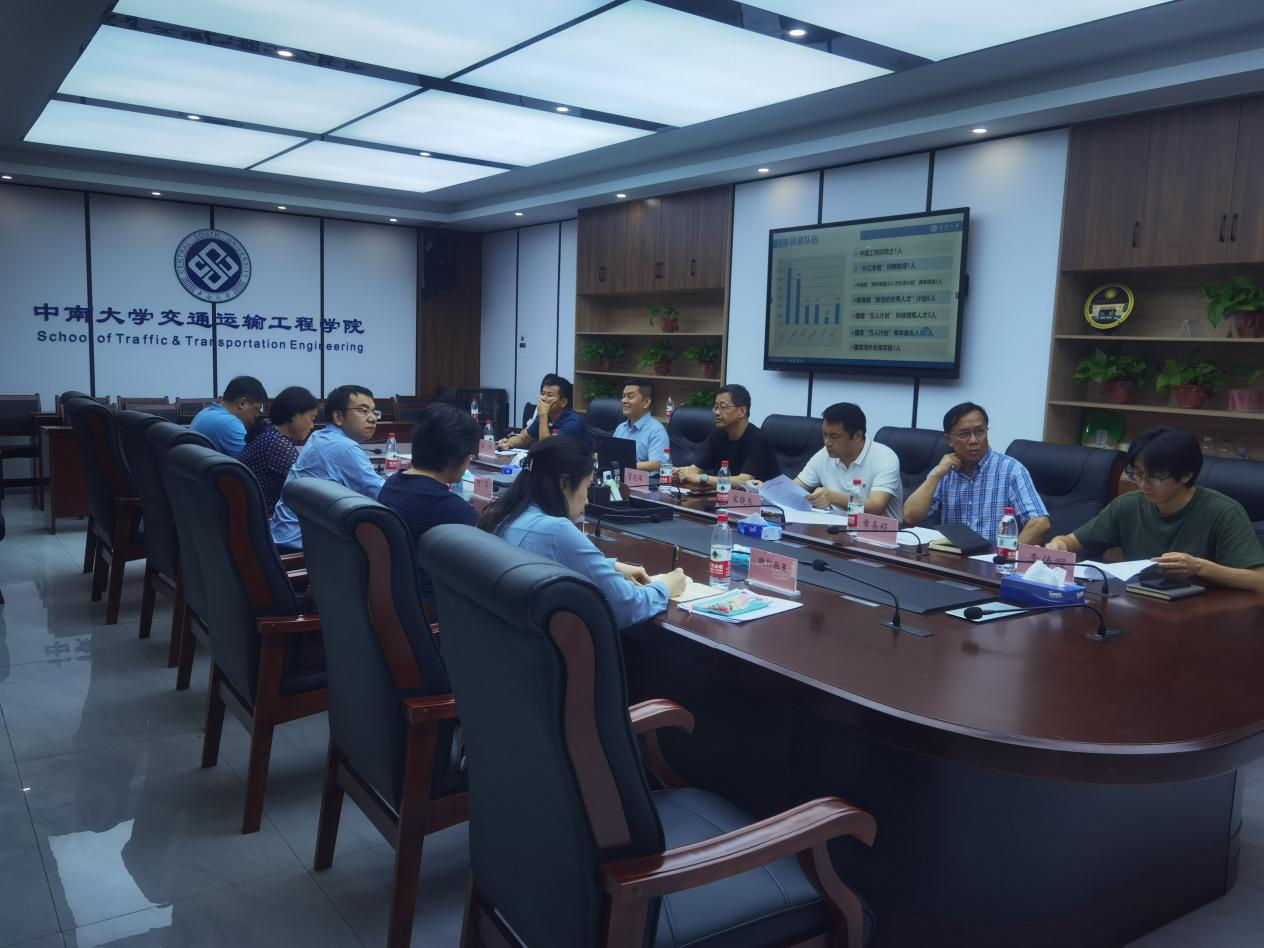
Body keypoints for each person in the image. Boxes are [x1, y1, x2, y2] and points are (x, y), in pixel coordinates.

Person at [478, 437, 688, 629]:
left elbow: (549, 559)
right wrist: (665, 587)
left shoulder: (500, 513)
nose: (587, 500)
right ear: (564, 484)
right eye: (587, 487)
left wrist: (610, 566)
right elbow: (627, 607)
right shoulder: (557, 531)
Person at [1046, 427, 1264, 591]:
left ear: (1186, 475)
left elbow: (1259, 581)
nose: (1143, 484)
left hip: (1204, 615)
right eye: (1138, 473)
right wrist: (1060, 544)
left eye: (1155, 477)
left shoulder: (1223, 512)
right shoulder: (1128, 505)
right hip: (1142, 605)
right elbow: (1073, 540)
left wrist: (1199, 568)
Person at [902, 401, 1050, 543]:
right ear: (949, 439)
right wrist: (936, 475)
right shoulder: (944, 472)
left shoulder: (1011, 470)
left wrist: (1006, 556)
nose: (973, 440)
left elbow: (1040, 523)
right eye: (964, 434)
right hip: (951, 556)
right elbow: (910, 517)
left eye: (979, 431)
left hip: (993, 557)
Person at [379, 404, 481, 605]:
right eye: (470, 454)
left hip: (396, 596)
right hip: (431, 606)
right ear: (454, 456)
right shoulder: (444, 506)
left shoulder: (394, 482)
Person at [270, 384, 384, 550]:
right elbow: (383, 496)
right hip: (302, 546)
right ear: (338, 417)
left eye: (374, 412)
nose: (372, 418)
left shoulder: (319, 436)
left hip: (284, 535)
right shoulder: (345, 447)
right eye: (363, 411)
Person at [791, 402, 903, 520]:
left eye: (834, 436)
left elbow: (876, 507)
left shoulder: (884, 457)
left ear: (857, 436)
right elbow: (794, 488)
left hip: (878, 530)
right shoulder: (824, 454)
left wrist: (834, 497)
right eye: (824, 435)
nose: (827, 442)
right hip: (835, 527)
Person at [673, 383, 780, 487]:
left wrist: (702, 478)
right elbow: (697, 469)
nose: (717, 412)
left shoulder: (758, 439)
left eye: (723, 406)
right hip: (724, 494)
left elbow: (744, 481)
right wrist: (682, 472)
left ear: (742, 411)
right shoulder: (718, 433)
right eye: (716, 407)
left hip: (762, 497)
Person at [239, 386, 319, 517]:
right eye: (312, 418)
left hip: (251, 512)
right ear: (295, 415)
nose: (312, 425)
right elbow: (306, 489)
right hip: (269, 517)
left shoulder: (268, 430)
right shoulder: (277, 444)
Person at [497, 374, 587, 449]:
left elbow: (548, 449)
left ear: (563, 402)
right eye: (543, 394)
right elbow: (524, 439)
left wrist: (543, 415)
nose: (543, 398)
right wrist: (508, 442)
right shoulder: (544, 416)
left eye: (549, 395)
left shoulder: (572, 422)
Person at [190, 375, 267, 459]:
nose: (257, 415)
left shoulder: (205, 412)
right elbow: (254, 462)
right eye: (257, 409)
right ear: (242, 403)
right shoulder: (229, 423)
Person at [613, 379, 669, 473]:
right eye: (623, 396)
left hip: (647, 481)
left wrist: (625, 466)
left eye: (630, 397)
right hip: (619, 477)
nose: (624, 401)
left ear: (646, 402)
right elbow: (612, 454)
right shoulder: (620, 428)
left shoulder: (657, 430)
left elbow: (658, 463)